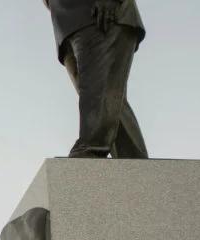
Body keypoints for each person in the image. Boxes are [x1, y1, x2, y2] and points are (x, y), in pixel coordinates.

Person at [44, 0, 147, 158]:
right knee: (107, 99)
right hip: (68, 25)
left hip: (99, 15)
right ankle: (135, 162)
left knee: (98, 93)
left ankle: (91, 147)